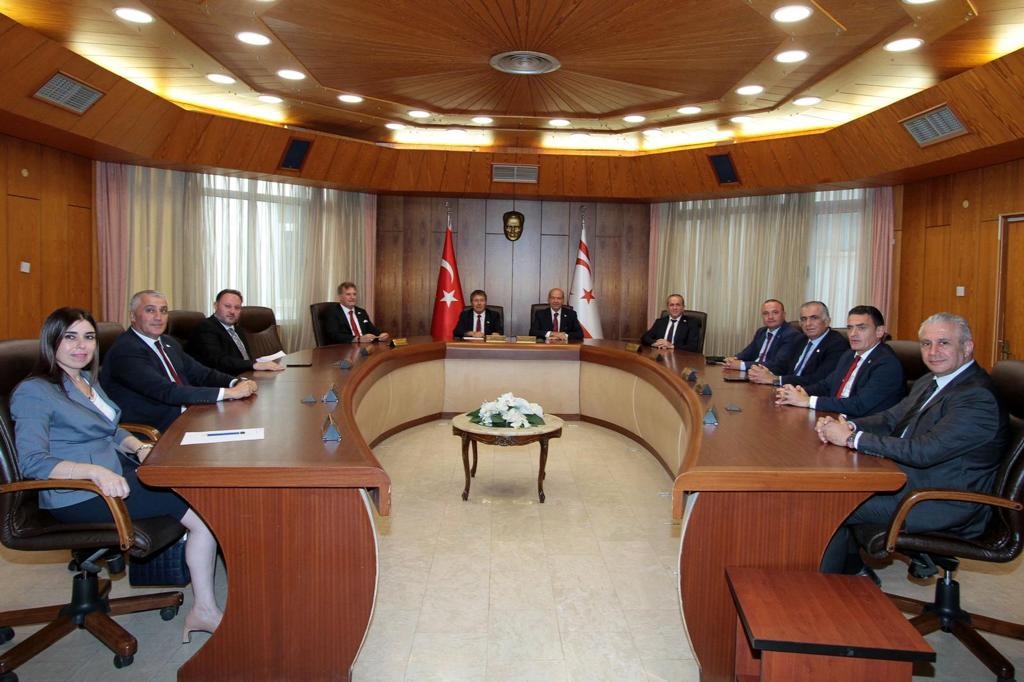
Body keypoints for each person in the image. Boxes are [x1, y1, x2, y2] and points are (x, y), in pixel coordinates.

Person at [11, 307, 224, 642]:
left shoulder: (85, 380)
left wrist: (137, 447)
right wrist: (93, 472)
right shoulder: (34, 391)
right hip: (79, 493)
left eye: (88, 337)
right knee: (201, 511)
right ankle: (205, 611)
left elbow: (109, 429)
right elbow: (32, 462)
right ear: (51, 342)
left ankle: (205, 607)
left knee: (195, 490)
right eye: (70, 337)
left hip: (116, 474)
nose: (81, 346)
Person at [815, 313, 1008, 576]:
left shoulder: (976, 397)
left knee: (829, 504)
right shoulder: (931, 381)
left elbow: (923, 451)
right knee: (832, 490)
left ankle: (834, 586)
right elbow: (890, 418)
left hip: (940, 500)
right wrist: (848, 425)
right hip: (907, 479)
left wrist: (850, 439)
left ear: (967, 346)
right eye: (926, 344)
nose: (933, 352)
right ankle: (853, 572)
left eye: (944, 343)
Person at [99, 290, 258, 432]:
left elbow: (201, 373)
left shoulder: (168, 342)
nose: (158, 317)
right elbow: (168, 391)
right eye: (150, 310)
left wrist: (235, 382)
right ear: (133, 316)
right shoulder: (126, 351)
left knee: (247, 425)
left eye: (163, 311)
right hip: (159, 429)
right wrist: (229, 393)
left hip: (190, 416)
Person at [774, 305, 904, 418]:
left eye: (861, 328)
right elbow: (826, 385)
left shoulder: (887, 364)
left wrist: (808, 401)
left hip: (861, 427)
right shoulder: (849, 355)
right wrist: (800, 391)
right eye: (850, 328)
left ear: (879, 331)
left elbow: (859, 405)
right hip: (832, 416)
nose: (853, 334)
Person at [748, 301, 847, 386]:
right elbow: (782, 366)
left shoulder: (837, 344)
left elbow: (817, 380)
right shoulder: (800, 340)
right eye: (804, 319)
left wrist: (776, 380)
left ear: (827, 321)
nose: (808, 324)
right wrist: (761, 371)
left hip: (807, 395)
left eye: (814, 318)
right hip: (785, 390)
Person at [187, 289, 285, 374]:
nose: (232, 311)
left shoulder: (237, 329)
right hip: (220, 381)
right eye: (227, 306)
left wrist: (259, 364)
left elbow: (243, 358)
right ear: (215, 306)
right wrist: (253, 364)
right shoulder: (206, 327)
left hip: (246, 375)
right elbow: (218, 361)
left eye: (237, 308)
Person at [723, 299, 804, 374]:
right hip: (753, 373)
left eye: (775, 312)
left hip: (770, 377)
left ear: (783, 315)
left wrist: (742, 365)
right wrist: (734, 359)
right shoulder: (761, 331)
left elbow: (778, 365)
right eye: (766, 313)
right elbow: (747, 352)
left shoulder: (791, 335)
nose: (770, 317)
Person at [322, 282, 390, 345]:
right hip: (344, 348)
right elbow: (334, 335)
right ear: (340, 297)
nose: (352, 297)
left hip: (364, 346)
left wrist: (381, 334)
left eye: (354, 294)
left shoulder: (361, 312)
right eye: (348, 294)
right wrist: (358, 339)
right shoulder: (332, 312)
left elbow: (371, 328)